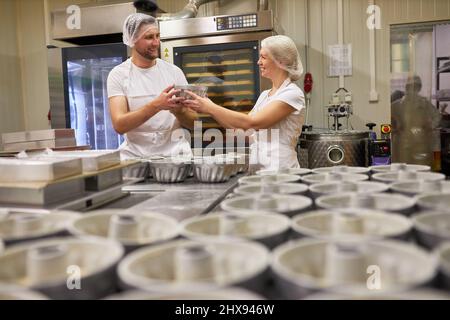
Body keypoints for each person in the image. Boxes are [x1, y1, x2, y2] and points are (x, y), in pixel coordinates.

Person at [183, 35, 306, 170]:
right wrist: (207, 108)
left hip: (281, 170)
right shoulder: (265, 95)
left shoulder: (292, 94)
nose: (258, 62)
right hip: (259, 170)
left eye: (263, 57)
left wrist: (211, 108)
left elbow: (253, 123)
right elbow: (241, 131)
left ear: (282, 61)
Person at [107, 13, 197, 160]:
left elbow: (194, 124)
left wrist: (179, 112)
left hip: (176, 157)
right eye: (149, 37)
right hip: (135, 159)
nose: (156, 43)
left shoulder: (174, 72)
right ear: (133, 40)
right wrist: (157, 105)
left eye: (157, 36)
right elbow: (119, 125)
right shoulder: (118, 75)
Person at [391, 75, 441, 166]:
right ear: (406, 87)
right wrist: (395, 127)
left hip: (422, 144)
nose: (413, 89)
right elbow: (389, 121)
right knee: (403, 168)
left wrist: (430, 126)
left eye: (416, 86)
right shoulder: (396, 105)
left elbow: (437, 116)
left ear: (419, 88)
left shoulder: (425, 104)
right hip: (402, 145)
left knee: (423, 168)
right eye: (410, 86)